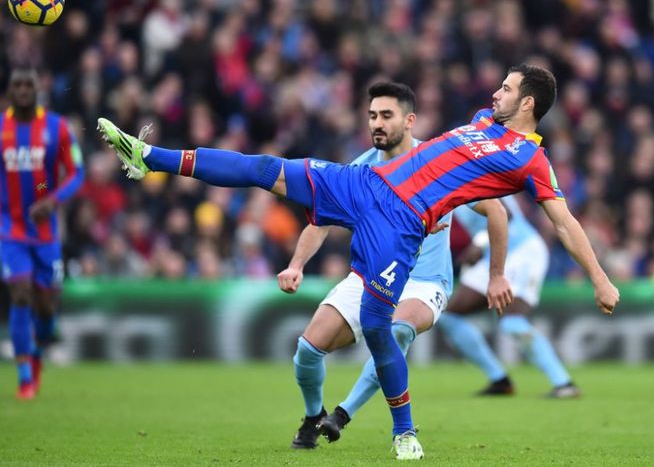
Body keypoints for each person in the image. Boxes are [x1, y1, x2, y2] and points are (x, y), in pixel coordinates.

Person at [99, 63, 620, 460]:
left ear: (527, 103)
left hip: (401, 226)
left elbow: (563, 221)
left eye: (506, 88)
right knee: (264, 168)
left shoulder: (531, 160)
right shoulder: (483, 121)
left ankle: (405, 432)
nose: (494, 93)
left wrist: (598, 278)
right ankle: (148, 159)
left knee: (379, 328)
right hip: (365, 186)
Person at [276, 82, 508, 452]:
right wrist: (297, 264)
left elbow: (496, 210)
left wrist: (496, 276)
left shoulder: (439, 163)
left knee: (396, 330)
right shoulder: (361, 169)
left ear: (409, 120)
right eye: (372, 116)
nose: (377, 124)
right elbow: (320, 221)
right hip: (368, 278)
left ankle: (353, 416)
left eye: (386, 115)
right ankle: (312, 417)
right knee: (307, 350)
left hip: (425, 282)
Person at [439, 192, 581, 398]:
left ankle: (564, 383)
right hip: (493, 254)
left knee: (511, 321)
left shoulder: (470, 169)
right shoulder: (443, 182)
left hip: (521, 250)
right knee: (448, 316)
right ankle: (499, 379)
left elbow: (503, 212)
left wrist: (478, 243)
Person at [0, 68, 85, 399]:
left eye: (28, 85)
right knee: (20, 294)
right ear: (9, 90)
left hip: (47, 231)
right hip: (9, 228)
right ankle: (25, 374)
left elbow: (76, 173)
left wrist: (52, 199)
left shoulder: (57, 128)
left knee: (46, 306)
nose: (23, 90)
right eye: (17, 85)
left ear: (39, 90)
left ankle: (41, 343)